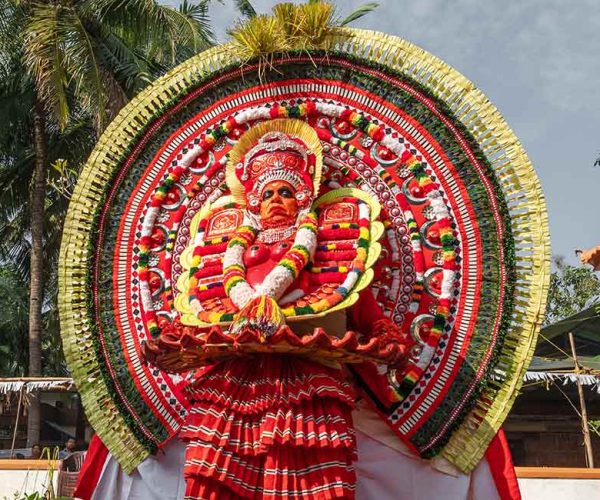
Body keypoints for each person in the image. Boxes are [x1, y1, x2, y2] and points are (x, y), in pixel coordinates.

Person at [146, 120, 408, 499]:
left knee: (307, 476)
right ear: (252, 201)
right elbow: (208, 312)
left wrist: (385, 337)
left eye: (285, 192)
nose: (276, 200)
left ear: (302, 197)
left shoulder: (335, 247)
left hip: (307, 378)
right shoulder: (226, 251)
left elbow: (363, 310)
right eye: (267, 193)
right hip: (235, 379)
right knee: (216, 471)